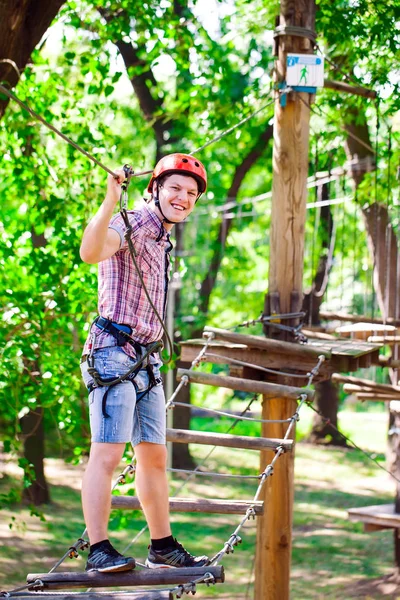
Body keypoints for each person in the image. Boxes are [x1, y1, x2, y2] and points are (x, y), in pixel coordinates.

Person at [79, 154, 209, 573]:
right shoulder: (132, 222)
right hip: (113, 352)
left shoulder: (163, 239)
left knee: (153, 457)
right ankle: (98, 549)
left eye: (191, 193)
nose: (183, 198)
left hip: (145, 361)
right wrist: (110, 199)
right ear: (154, 188)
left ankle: (162, 544)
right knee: (108, 453)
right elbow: (91, 251)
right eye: (175, 188)